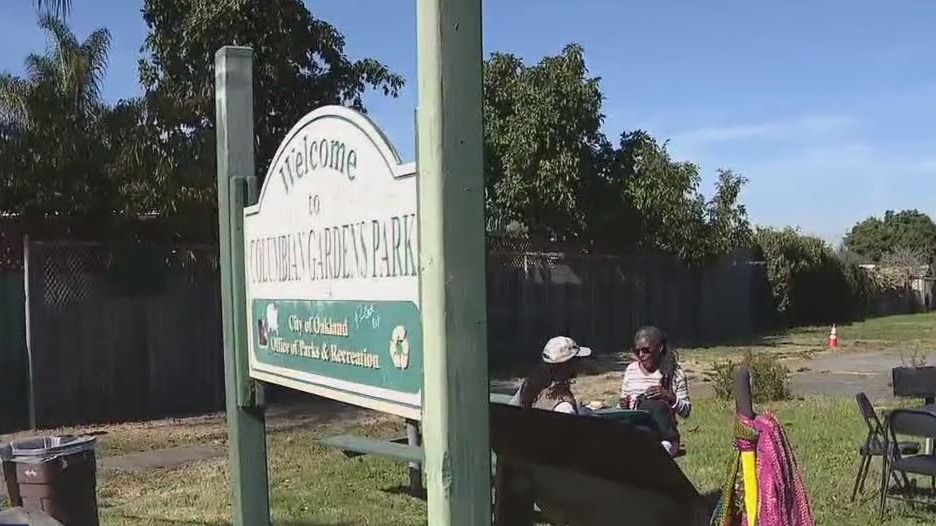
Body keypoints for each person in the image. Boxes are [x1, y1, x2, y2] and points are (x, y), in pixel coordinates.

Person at [619, 326, 691, 457]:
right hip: (637, 434)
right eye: (637, 351)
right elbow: (625, 405)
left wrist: (669, 396)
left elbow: (686, 411)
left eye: (646, 351)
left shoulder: (674, 373)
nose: (641, 355)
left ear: (660, 348)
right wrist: (623, 406)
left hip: (664, 438)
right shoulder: (631, 371)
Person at [509, 335, 592, 414]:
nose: (580, 363)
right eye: (577, 360)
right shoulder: (564, 407)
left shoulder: (529, 384)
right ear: (567, 365)